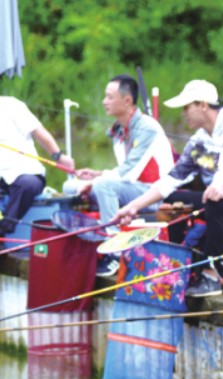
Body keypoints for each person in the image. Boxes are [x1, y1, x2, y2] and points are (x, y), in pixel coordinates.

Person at [113, 80, 223, 297]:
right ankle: (177, 267)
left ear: (203, 105)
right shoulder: (199, 142)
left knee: (214, 200)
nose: (183, 114)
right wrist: (133, 207)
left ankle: (211, 276)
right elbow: (170, 181)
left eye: (186, 107)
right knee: (175, 199)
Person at [74, 75, 174, 274]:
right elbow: (125, 171)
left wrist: (98, 181)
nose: (104, 102)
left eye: (109, 97)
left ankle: (114, 248)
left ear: (127, 101)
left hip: (154, 193)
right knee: (72, 185)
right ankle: (86, 241)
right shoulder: (119, 130)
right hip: (133, 189)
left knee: (102, 185)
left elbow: (129, 172)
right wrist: (97, 174)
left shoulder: (147, 127)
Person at [0, 96, 74, 240]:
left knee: (27, 185)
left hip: (25, 172)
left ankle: (3, 230)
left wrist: (59, 157)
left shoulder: (12, 104)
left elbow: (39, 132)